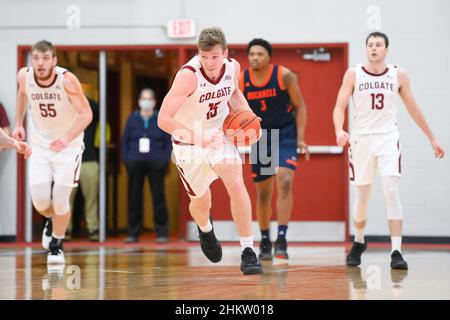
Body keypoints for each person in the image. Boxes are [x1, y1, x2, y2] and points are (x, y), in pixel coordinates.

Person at [332, 32, 445, 270]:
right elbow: (339, 105)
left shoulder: (399, 74)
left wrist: (432, 138)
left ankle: (396, 251)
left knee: (391, 190)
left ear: (386, 49)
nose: (373, 48)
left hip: (387, 138)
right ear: (366, 49)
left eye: (378, 45)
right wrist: (338, 130)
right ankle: (359, 241)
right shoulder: (353, 73)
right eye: (370, 45)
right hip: (361, 140)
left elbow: (413, 107)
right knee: (362, 197)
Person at [158, 27, 263, 275]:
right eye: (205, 57)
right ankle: (205, 230)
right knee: (201, 202)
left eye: (215, 57)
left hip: (219, 135)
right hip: (189, 142)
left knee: (236, 184)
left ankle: (248, 251)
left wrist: (248, 117)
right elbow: (163, 120)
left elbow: (234, 94)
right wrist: (199, 138)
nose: (210, 63)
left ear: (225, 54)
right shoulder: (188, 76)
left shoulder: (233, 68)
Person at [13, 40, 93, 264]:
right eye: (36, 58)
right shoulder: (24, 76)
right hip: (39, 144)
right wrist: (19, 123)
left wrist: (66, 138)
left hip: (68, 146)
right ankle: (50, 220)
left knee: (59, 200)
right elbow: (22, 95)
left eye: (45, 58)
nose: (40, 63)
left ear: (54, 61)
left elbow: (86, 114)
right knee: (40, 201)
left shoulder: (67, 80)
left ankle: (57, 243)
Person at [239, 39, 310, 260]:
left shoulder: (284, 75)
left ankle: (282, 237)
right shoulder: (243, 79)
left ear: (269, 57)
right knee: (263, 193)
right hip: (261, 137)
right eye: (251, 54)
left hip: (285, 134)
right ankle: (265, 239)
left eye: (259, 54)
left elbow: (301, 107)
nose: (255, 58)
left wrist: (301, 138)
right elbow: (236, 110)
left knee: (286, 181)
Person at [121, 88, 172, 243]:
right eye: (143, 98)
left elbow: (168, 141)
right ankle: (133, 232)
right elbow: (125, 141)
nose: (146, 101)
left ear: (155, 102)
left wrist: (163, 160)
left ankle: (162, 232)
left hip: (156, 163)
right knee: (134, 198)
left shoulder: (160, 118)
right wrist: (127, 159)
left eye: (149, 98)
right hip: (135, 163)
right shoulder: (132, 119)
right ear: (139, 101)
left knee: (158, 197)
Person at [67, 96, 100, 241]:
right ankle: (65, 230)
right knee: (66, 199)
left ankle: (92, 229)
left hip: (89, 159)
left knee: (91, 199)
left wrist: (79, 95)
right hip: (69, 161)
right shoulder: (65, 117)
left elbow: (98, 109)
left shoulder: (90, 116)